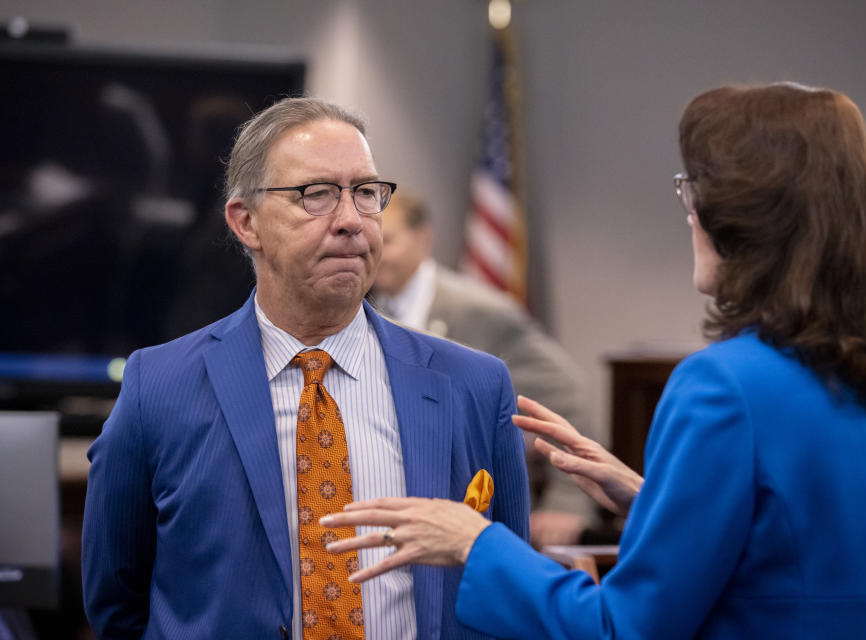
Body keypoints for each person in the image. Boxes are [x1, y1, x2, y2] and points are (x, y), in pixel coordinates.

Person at [319, 82, 866, 639]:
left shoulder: (723, 388)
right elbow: (798, 559)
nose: (688, 209)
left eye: (693, 187)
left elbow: (621, 627)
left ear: (745, 217)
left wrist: (474, 543)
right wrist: (654, 502)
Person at [81, 97, 530, 640]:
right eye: (315, 195)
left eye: (365, 193)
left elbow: (510, 587)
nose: (349, 220)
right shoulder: (159, 386)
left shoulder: (474, 386)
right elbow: (115, 598)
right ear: (246, 222)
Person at [371, 192, 597, 547]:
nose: (377, 252)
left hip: (475, 522)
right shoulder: (368, 307)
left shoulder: (478, 311)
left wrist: (568, 499)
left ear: (423, 238)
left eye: (389, 241)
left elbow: (567, 394)